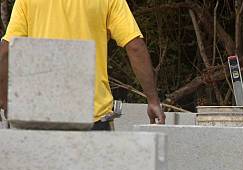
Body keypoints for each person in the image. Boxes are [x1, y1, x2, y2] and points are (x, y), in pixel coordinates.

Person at [0, 0, 165, 130]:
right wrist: (152, 100)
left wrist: (5, 100)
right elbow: (135, 46)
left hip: (41, 116)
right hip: (92, 116)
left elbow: (6, 51)